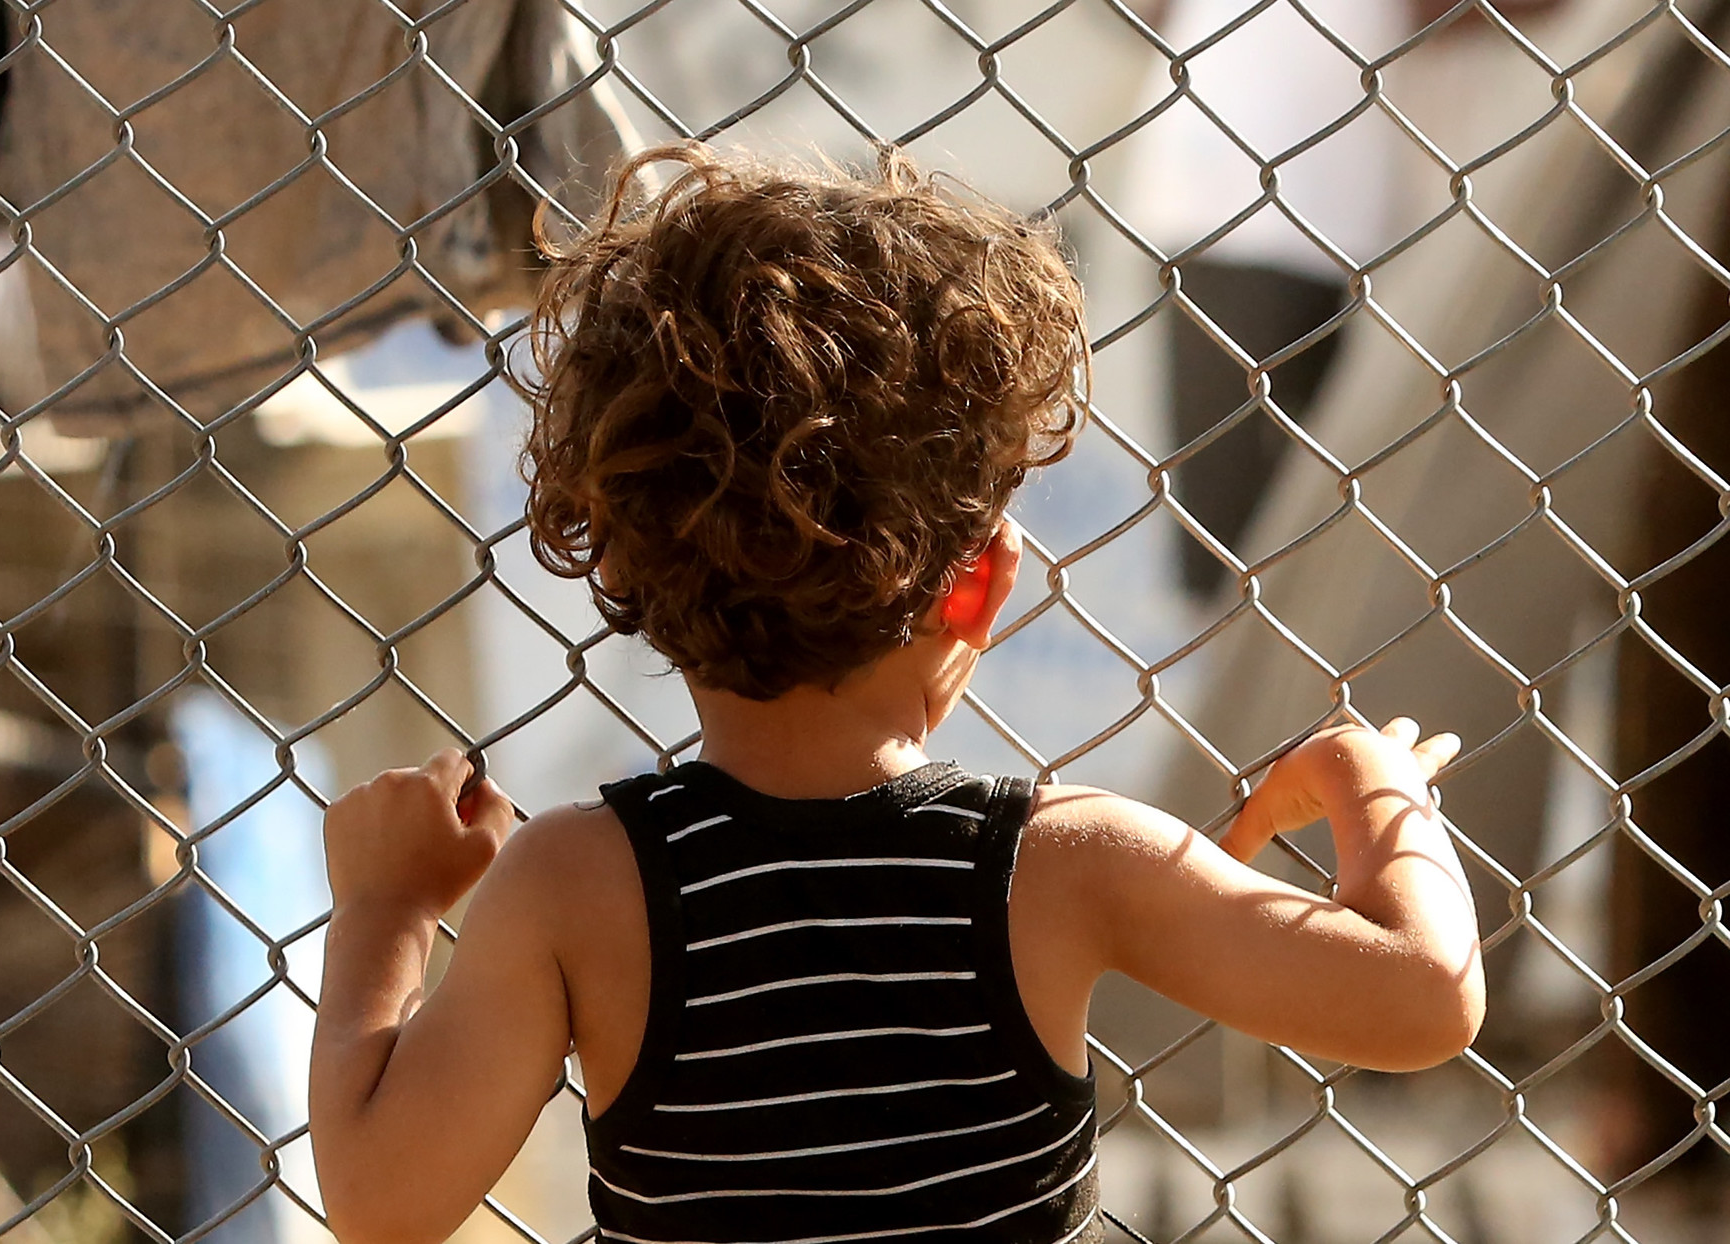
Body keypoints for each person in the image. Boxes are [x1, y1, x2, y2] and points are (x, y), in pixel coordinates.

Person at [305, 142, 1486, 1244]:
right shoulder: (1062, 861)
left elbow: (379, 1203)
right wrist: (1370, 778)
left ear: (614, 556)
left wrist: (385, 908)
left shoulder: (572, 882)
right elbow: (1426, 999)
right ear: (978, 581)